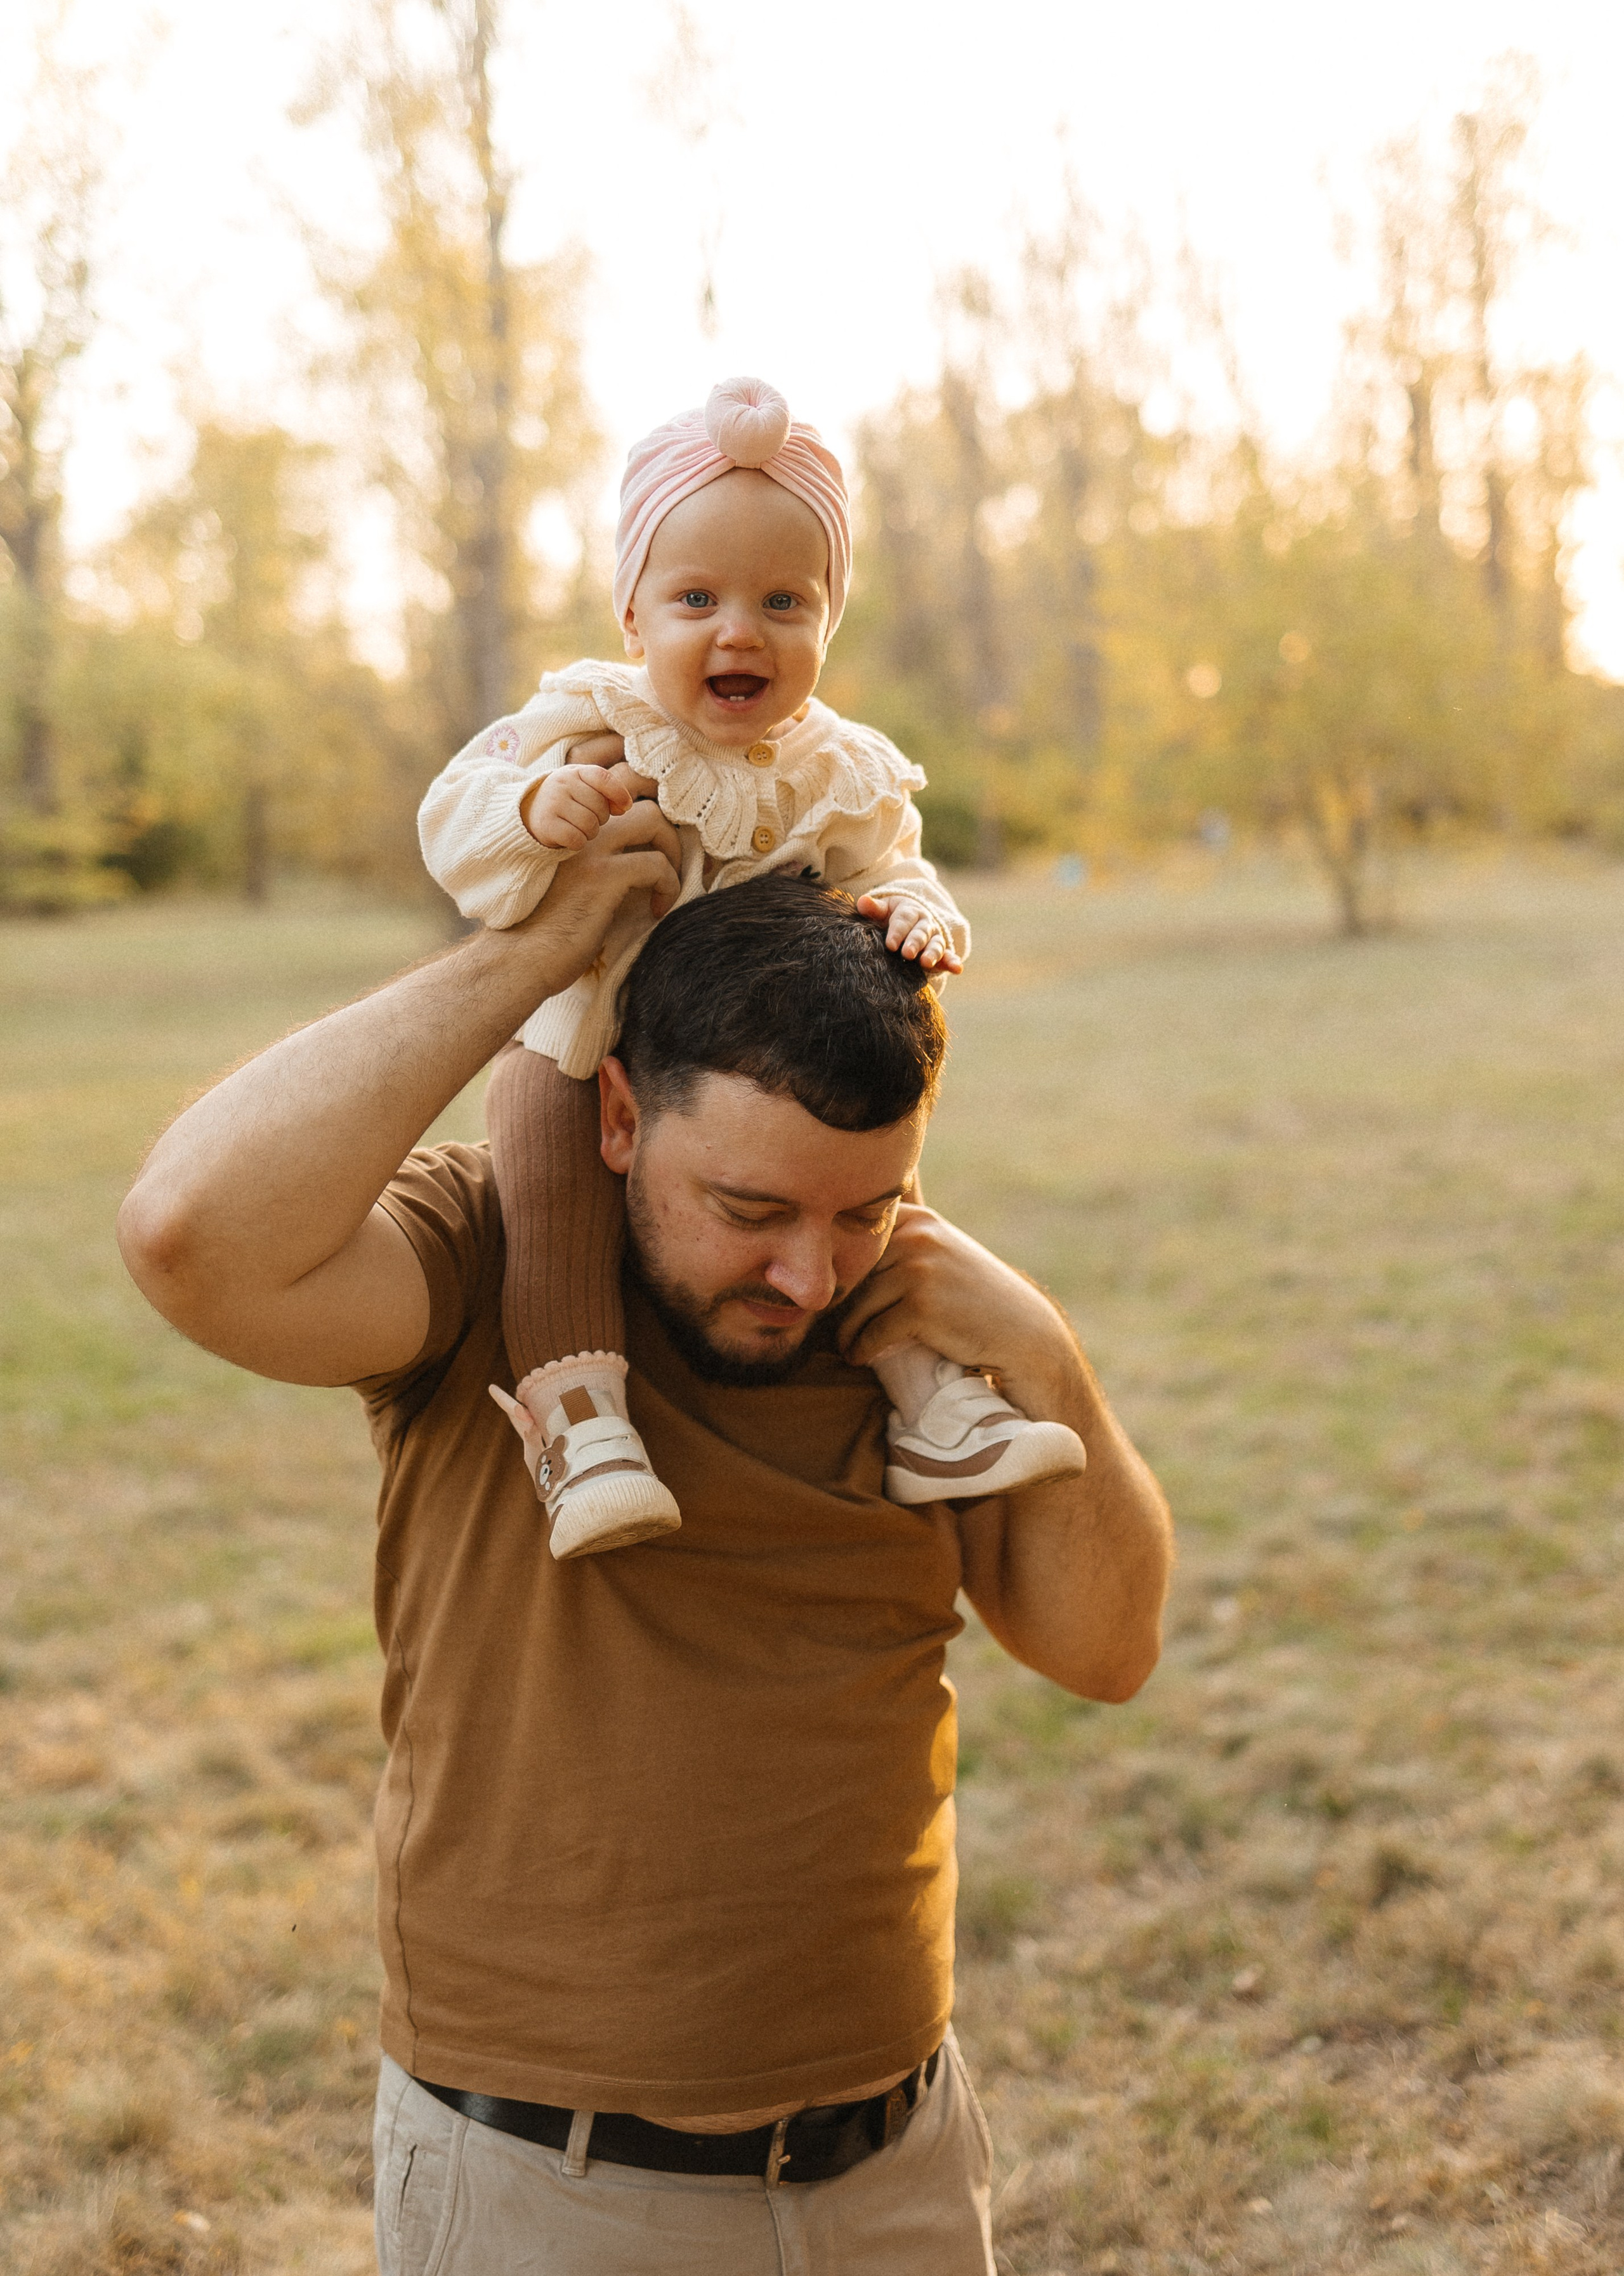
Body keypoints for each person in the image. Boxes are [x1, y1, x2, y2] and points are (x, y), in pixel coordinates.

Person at [117, 836, 1174, 2276]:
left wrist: (1049, 1360)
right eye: (749, 1212)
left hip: (898, 2164)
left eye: (862, 1207)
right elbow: (192, 1237)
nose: (808, 1275)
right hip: (550, 2188)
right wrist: (532, 956)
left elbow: (1104, 1652)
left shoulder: (907, 1322)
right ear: (616, 1114)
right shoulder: (483, 1255)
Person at [418, 374, 1087, 1558]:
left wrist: (919, 916)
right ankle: (585, 1430)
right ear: (634, 620)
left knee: (854, 1179)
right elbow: (453, 821)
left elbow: (897, 863)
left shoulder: (836, 767)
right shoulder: (590, 725)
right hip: (595, 1042)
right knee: (549, 1184)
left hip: (783, 1059)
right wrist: (535, 809)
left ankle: (929, 1395)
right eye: (696, 597)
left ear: (829, 621)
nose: (741, 630)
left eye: (786, 599)